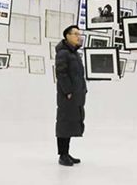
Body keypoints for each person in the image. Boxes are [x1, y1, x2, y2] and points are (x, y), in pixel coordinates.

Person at [55, 25, 87, 167]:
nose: (78, 36)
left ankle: (66, 153)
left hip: (76, 95)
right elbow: (61, 74)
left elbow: (79, 75)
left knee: (71, 123)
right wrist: (68, 91)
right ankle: (62, 155)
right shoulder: (63, 53)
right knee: (64, 123)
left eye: (79, 34)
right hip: (67, 96)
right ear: (67, 36)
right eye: (75, 34)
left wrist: (83, 89)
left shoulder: (74, 53)